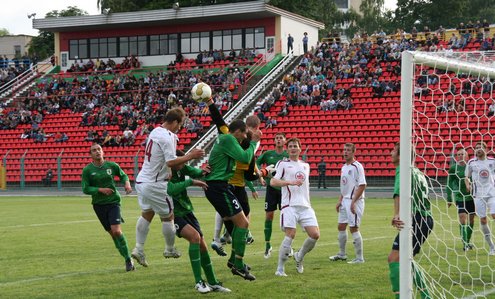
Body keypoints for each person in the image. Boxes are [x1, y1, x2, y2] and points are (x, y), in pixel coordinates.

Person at [131, 108, 204, 267]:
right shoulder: (168, 136)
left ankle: (139, 249)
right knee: (168, 216)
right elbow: (171, 161)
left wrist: (168, 170)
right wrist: (191, 155)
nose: (180, 127)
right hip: (156, 184)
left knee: (147, 214)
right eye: (180, 124)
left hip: (142, 181)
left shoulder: (155, 131)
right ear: (176, 121)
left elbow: (162, 158)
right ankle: (170, 249)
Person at [203, 114, 261, 281]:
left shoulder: (226, 138)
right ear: (237, 131)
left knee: (238, 225)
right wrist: (254, 143)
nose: (244, 137)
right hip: (218, 187)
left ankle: (233, 260)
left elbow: (219, 121)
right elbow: (244, 157)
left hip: (220, 186)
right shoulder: (229, 139)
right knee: (243, 223)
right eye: (243, 133)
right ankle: (238, 265)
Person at [168, 150, 231, 293]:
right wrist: (191, 182)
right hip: (172, 213)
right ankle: (198, 282)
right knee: (194, 238)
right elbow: (170, 189)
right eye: (182, 161)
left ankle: (213, 282)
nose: (184, 164)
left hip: (187, 210)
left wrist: (204, 171)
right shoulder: (165, 171)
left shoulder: (181, 167)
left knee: (202, 245)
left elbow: (195, 172)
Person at [388, 142, 432, 299]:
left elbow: (399, 191)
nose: (391, 153)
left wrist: (397, 214)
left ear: (401, 155)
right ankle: (425, 295)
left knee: (394, 258)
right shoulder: (418, 172)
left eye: (393, 150)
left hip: (416, 219)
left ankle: (401, 296)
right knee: (406, 258)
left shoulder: (403, 171)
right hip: (426, 219)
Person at [270, 137, 320, 276]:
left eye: (295, 146)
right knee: (290, 234)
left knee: (315, 235)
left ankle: (299, 256)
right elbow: (273, 182)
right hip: (289, 205)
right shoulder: (282, 164)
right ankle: (280, 269)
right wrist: (290, 182)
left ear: (300, 149)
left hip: (305, 205)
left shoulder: (306, 166)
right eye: (290, 146)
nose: (293, 148)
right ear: (287, 149)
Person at [81, 143, 134, 272]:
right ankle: (127, 258)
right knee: (112, 234)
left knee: (116, 231)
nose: (97, 152)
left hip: (113, 202)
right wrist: (100, 190)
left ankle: (128, 259)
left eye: (99, 149)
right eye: (94, 150)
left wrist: (127, 184)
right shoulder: (87, 170)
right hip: (98, 205)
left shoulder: (112, 165)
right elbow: (85, 188)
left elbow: (123, 175)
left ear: (103, 151)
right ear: (91, 155)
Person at [329, 143, 367, 264]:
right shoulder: (344, 167)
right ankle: (342, 254)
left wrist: (353, 202)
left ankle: (359, 258)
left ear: (353, 152)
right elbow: (344, 186)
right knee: (341, 226)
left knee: (354, 228)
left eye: (348, 150)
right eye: (344, 150)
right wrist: (340, 200)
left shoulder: (357, 167)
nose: (345, 152)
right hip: (345, 200)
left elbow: (362, 185)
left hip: (354, 201)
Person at [256, 132, 289, 258]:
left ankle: (288, 245)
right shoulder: (268, 154)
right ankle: (267, 245)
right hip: (271, 189)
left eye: (281, 138)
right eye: (277, 138)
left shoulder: (287, 155)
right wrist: (261, 176)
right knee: (269, 216)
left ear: (285, 141)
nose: (279, 140)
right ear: (274, 141)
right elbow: (256, 163)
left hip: (284, 190)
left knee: (286, 217)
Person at [465, 141, 495, 255]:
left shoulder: (492, 161)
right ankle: (492, 247)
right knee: (483, 219)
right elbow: (466, 177)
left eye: (480, 147)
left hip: (492, 192)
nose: (478, 149)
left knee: (494, 215)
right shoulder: (471, 162)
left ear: (485, 150)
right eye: (476, 148)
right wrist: (468, 184)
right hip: (478, 194)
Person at [446, 148, 475, 251]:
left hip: (471, 197)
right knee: (463, 218)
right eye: (458, 154)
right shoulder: (453, 168)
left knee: (471, 219)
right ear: (456, 157)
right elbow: (449, 183)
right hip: (459, 196)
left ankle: (468, 240)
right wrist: (449, 198)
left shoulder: (471, 167)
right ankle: (465, 244)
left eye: (462, 154)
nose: (460, 156)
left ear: (467, 156)